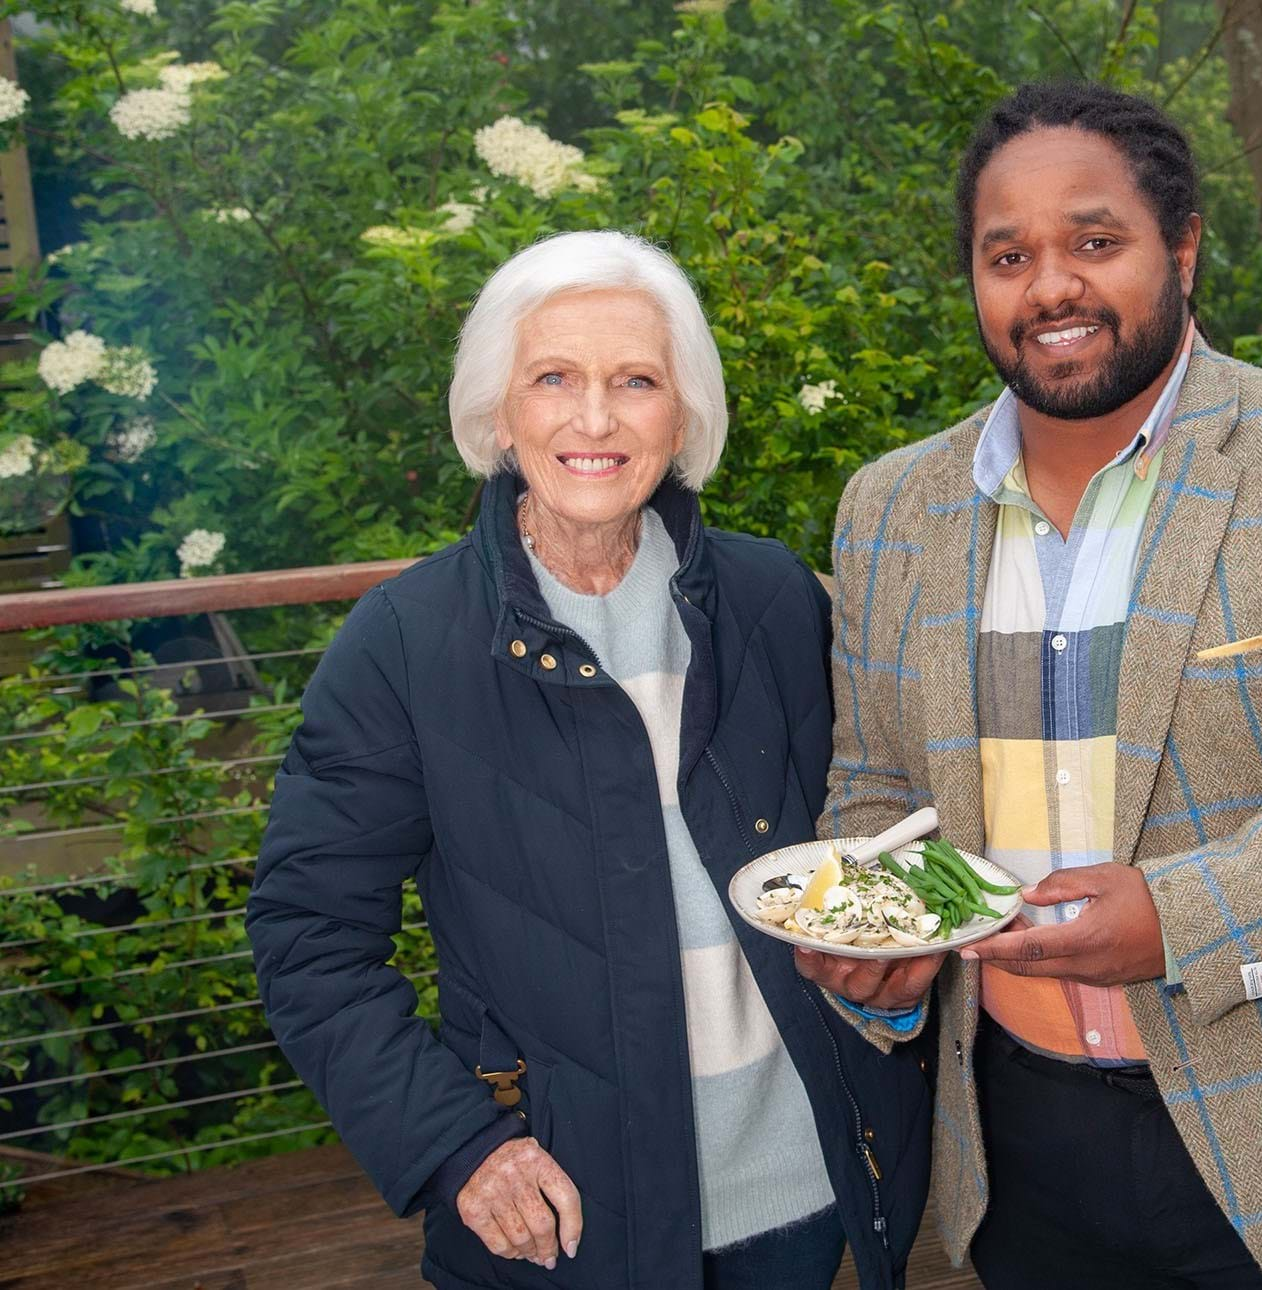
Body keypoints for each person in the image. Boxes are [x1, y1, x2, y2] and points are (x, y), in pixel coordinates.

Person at [797, 82, 1262, 1290]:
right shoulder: (890, 508)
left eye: (1093, 242)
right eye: (1008, 255)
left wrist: (1181, 919)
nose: (1050, 286)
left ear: (1184, 248)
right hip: (1017, 1149)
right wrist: (880, 944)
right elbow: (876, 785)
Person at [247, 230, 931, 1290]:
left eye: (637, 381)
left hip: (803, 1187)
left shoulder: (773, 602)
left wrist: (884, 981)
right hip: (569, 1217)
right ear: (497, 410)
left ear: (684, 412)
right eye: (553, 377)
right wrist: (456, 1147)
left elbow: (855, 842)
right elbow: (310, 942)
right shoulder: (403, 644)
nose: (595, 419)